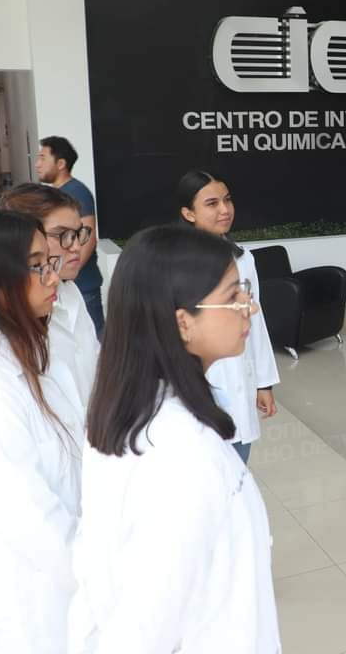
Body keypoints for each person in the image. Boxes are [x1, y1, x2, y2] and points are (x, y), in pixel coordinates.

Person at [68, 225, 280, 652]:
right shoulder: (184, 456)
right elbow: (145, 629)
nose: (250, 307)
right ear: (183, 322)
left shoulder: (136, 409)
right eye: (234, 295)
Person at [0, 210, 81, 653]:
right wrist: (107, 578)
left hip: (66, 592)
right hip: (30, 611)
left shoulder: (32, 355)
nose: (53, 275)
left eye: (50, 261)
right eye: (37, 265)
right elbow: (30, 520)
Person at [177, 170, 279, 463]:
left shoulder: (243, 258)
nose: (225, 210)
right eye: (212, 203)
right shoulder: (175, 264)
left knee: (238, 465)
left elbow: (255, 322)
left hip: (240, 384)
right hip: (196, 390)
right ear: (188, 213)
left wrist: (263, 383)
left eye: (227, 200)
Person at [0, 183, 100, 413]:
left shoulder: (70, 292)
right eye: (63, 235)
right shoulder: (9, 323)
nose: (76, 246)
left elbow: (93, 359)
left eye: (78, 234)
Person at [35, 136, 105, 339]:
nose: (38, 164)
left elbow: (89, 239)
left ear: (61, 164)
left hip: (83, 287)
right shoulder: (56, 195)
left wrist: (68, 273)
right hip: (67, 285)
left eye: (42, 158)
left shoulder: (76, 193)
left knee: (92, 340)